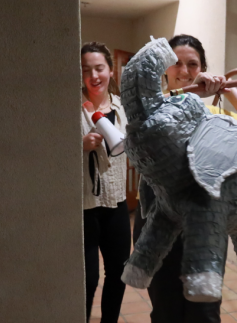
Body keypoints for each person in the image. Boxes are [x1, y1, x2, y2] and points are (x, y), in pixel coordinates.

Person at [132, 34, 237, 323]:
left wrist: (226, 87)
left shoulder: (212, 112)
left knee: (204, 311)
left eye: (192, 64)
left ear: (202, 68)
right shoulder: (153, 108)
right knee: (166, 307)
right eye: (176, 63)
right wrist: (190, 94)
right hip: (159, 220)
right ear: (164, 70)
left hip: (204, 224)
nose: (183, 71)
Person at [81, 42, 131, 323]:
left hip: (117, 204)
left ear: (111, 71)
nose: (93, 75)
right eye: (86, 70)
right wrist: (81, 145)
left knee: (119, 272)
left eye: (99, 68)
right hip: (84, 205)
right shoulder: (70, 106)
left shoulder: (123, 107)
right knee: (87, 279)